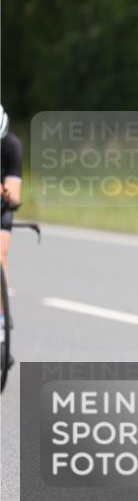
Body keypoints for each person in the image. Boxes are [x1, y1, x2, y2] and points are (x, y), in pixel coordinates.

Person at [0, 104, 22, 338]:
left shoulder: (11, 146)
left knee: (0, 254)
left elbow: (14, 195)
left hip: (0, 204)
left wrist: (7, 195)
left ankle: (1, 320)